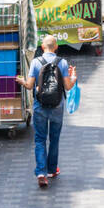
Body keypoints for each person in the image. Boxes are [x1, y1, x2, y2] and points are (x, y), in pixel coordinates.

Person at [15, 35, 77, 190]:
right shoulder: (62, 62)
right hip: (57, 107)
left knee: (40, 139)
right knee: (54, 139)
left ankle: (41, 172)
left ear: (42, 47)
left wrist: (22, 81)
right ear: (56, 47)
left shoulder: (36, 62)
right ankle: (52, 170)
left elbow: (29, 86)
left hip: (40, 106)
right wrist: (74, 76)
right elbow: (68, 86)